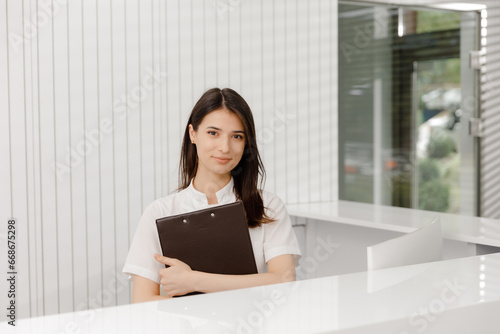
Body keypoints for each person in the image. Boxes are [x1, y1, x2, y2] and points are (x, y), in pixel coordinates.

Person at [122, 88, 302, 302]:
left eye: (237, 136)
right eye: (213, 133)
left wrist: (193, 281)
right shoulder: (160, 212)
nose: (224, 147)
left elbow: (284, 279)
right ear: (193, 134)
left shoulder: (267, 206)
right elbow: (142, 301)